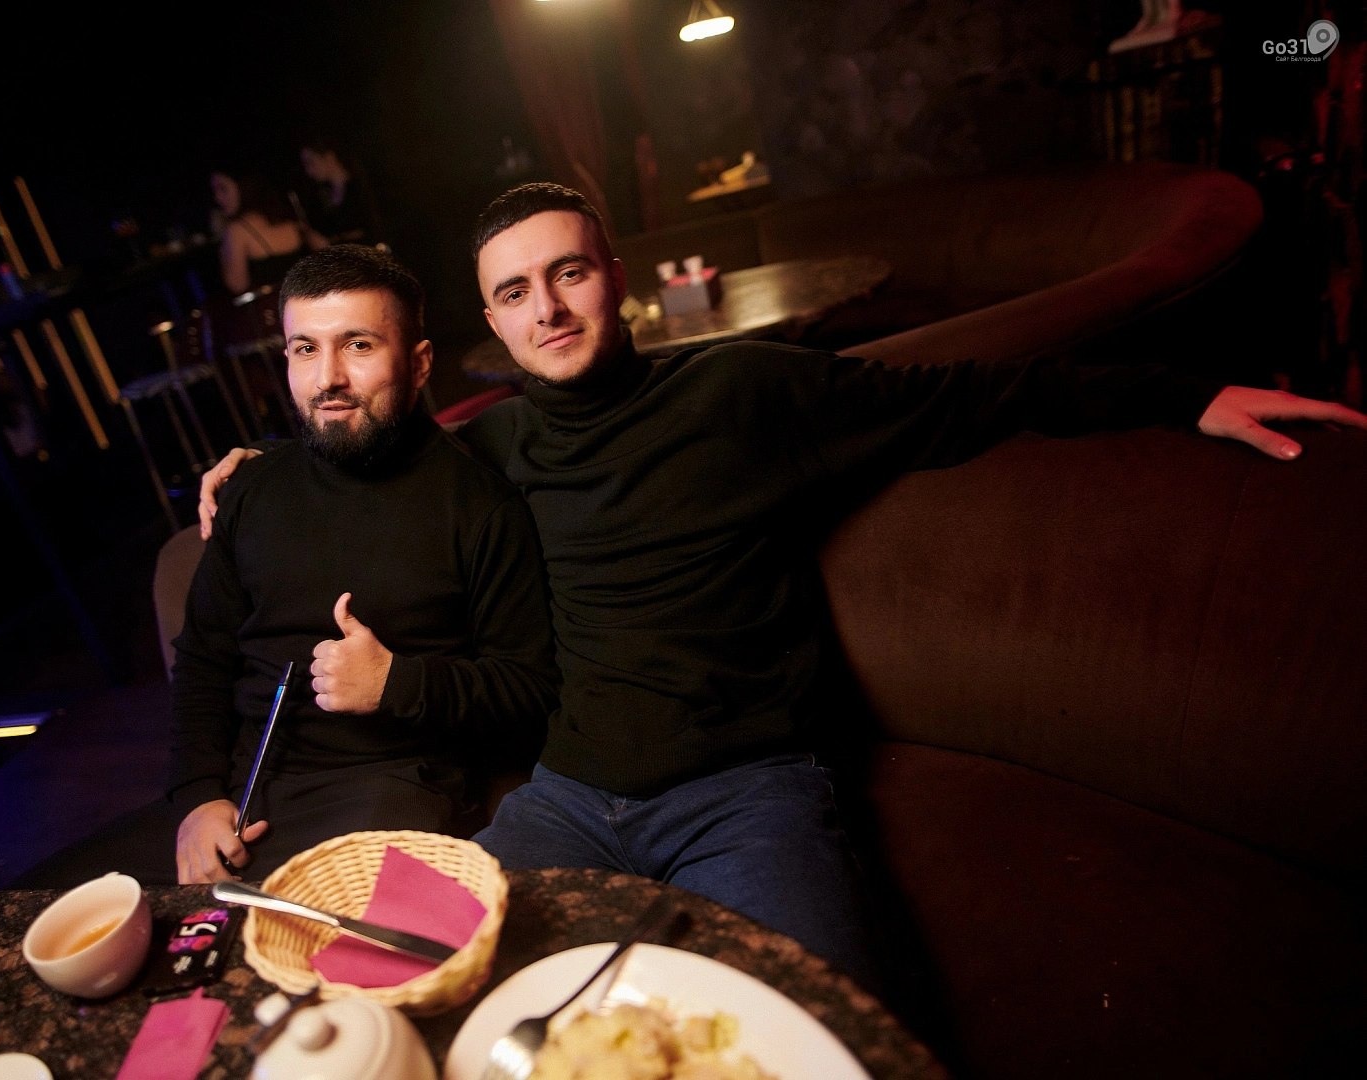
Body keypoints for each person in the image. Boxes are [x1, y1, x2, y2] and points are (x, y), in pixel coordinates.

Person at [197, 183, 1367, 985]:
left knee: (823, 1032)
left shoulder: (743, 391)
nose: (545, 308)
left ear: (616, 279)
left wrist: (1188, 397)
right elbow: (368, 449)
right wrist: (252, 472)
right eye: (513, 292)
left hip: (745, 793)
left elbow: (966, 395)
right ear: (491, 326)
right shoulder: (492, 449)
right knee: (374, 973)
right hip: (564, 798)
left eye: (568, 274)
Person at [18, 245, 558, 888]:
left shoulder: (479, 505)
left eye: (358, 345)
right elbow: (204, 661)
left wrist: (397, 682)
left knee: (304, 943)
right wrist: (197, 797)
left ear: (418, 363)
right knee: (28, 910)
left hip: (393, 789)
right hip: (243, 793)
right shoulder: (251, 488)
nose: (328, 377)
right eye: (306, 349)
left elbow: (530, 691)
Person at [212, 169, 328, 295]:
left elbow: (237, 285)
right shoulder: (287, 217)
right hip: (308, 298)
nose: (217, 198)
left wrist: (222, 243)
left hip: (274, 304)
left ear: (242, 186)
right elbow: (325, 250)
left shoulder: (238, 230)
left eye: (223, 188)